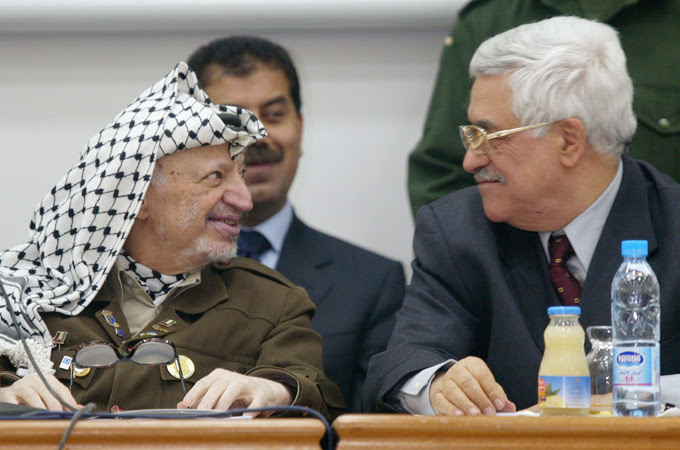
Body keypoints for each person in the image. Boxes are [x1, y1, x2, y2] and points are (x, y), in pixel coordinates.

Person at [364, 16, 680, 416]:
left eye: (486, 136)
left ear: (569, 140)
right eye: (469, 137)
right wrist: (438, 384)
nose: (469, 160)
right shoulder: (458, 231)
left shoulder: (673, 223)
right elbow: (398, 366)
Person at [0, 62, 344, 419]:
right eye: (216, 177)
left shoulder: (272, 302)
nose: (245, 200)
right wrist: (7, 393)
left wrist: (274, 389)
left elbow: (315, 391)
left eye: (240, 176)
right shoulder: (29, 297)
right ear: (138, 198)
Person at [187, 36, 406, 413]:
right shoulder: (148, 271)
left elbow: (370, 427)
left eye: (273, 115)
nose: (258, 135)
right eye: (231, 118)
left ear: (300, 128)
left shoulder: (372, 281)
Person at [407, 0, 680, 217]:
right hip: (518, 259)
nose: (473, 159)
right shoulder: (493, 17)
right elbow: (442, 168)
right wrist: (477, 262)